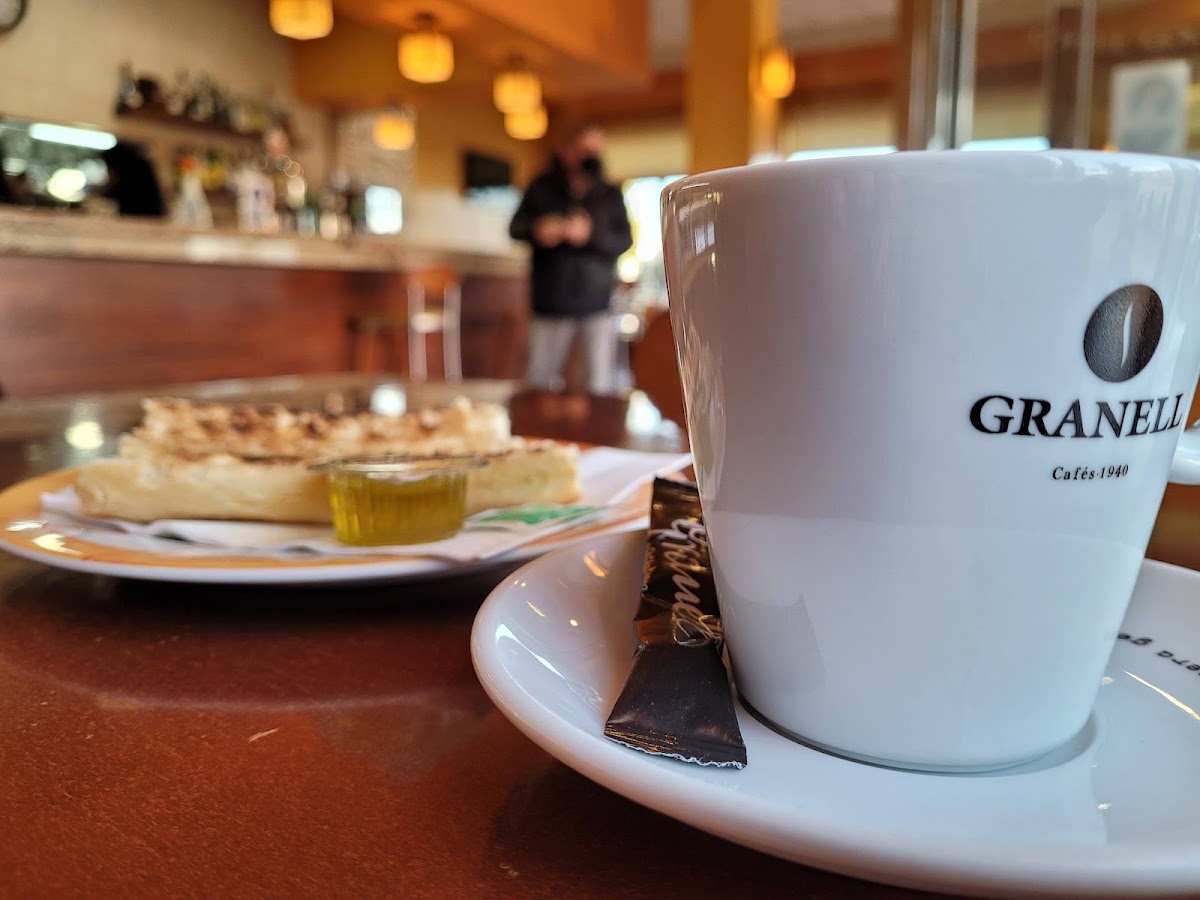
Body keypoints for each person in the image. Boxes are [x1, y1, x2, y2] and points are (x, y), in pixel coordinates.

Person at [509, 122, 632, 393]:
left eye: (596, 150)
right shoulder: (541, 187)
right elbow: (516, 227)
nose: (591, 156)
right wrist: (538, 229)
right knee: (539, 381)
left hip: (596, 301)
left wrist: (590, 234)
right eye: (584, 149)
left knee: (598, 383)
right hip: (551, 300)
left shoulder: (610, 194)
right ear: (566, 150)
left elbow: (624, 240)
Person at [101, 141, 166, 218]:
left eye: (108, 166)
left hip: (139, 217)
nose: (108, 171)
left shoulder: (131, 173)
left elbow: (118, 193)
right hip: (151, 217)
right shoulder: (142, 166)